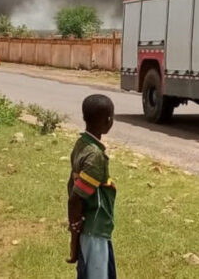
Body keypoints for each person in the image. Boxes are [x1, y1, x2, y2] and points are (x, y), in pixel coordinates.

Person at [66, 94, 117, 279]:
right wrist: (75, 231)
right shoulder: (95, 157)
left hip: (91, 228)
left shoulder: (81, 144)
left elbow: (72, 186)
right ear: (108, 121)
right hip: (94, 229)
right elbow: (75, 199)